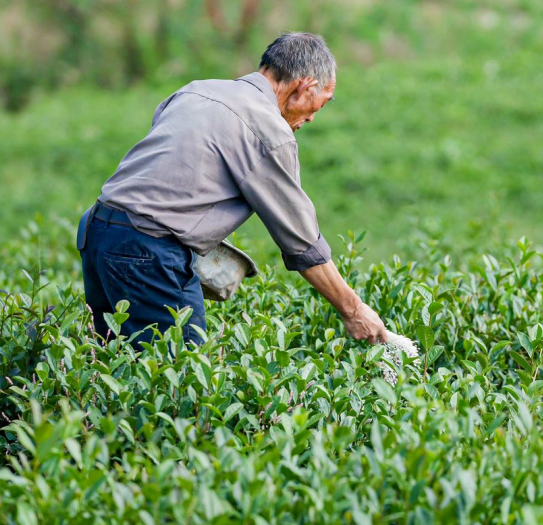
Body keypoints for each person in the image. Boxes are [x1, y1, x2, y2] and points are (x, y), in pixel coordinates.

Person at [76, 32, 388, 347]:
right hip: (147, 251)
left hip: (97, 232)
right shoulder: (267, 129)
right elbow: (302, 242)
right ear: (303, 88)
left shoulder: (196, 91)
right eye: (317, 106)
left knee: (114, 362)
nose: (311, 118)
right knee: (179, 381)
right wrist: (354, 310)